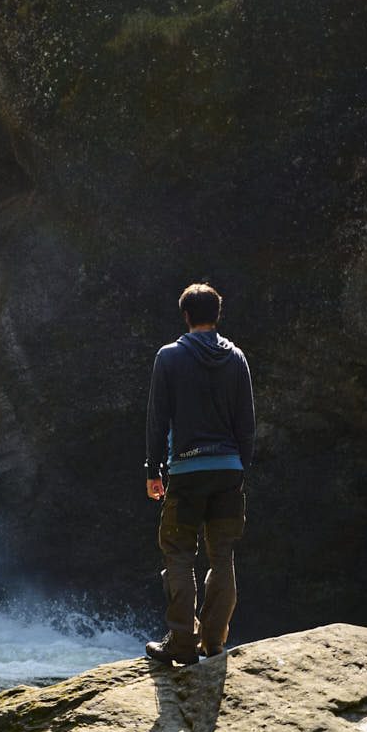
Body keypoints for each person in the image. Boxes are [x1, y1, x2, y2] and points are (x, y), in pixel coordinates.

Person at [143, 283, 255, 666]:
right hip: (228, 470)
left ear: (186, 316)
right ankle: (214, 641)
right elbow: (247, 424)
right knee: (222, 555)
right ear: (217, 316)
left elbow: (157, 419)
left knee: (178, 554)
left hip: (187, 471)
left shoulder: (169, 357)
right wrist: (241, 468)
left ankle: (181, 643)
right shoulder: (236, 358)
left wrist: (153, 470)